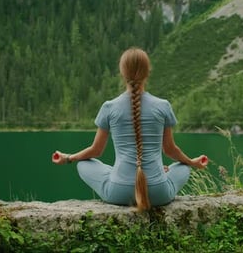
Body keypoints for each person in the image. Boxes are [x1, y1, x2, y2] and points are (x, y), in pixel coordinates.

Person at [52, 47, 208, 211]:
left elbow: (95, 151)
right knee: (183, 167)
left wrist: (68, 158)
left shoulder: (109, 107)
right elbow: (170, 150)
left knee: (82, 164)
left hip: (118, 193)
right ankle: (156, 171)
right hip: (158, 193)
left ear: (122, 73)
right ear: (148, 72)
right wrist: (193, 162)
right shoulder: (163, 106)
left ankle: (120, 173)